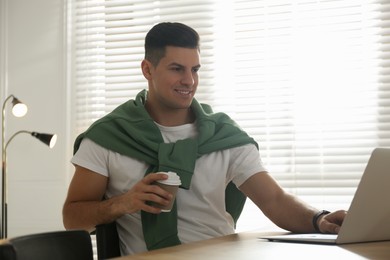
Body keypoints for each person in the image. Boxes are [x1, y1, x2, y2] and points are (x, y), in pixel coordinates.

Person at [62, 22, 347, 255]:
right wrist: (124, 202)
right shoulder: (109, 136)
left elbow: (274, 199)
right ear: (147, 69)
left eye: (195, 69)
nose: (189, 80)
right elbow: (72, 217)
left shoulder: (223, 135)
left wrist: (319, 219)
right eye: (177, 69)